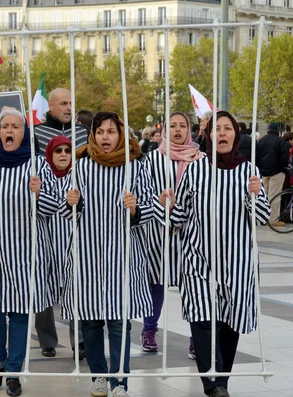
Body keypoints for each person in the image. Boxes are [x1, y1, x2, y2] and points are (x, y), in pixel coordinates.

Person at [158, 111, 270, 397]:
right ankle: (213, 385)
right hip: (198, 260)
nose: (221, 133)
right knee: (203, 318)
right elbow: (179, 215)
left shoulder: (249, 172)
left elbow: (261, 217)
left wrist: (254, 195)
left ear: (236, 134)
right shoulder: (195, 170)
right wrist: (167, 207)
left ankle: (221, 380)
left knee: (229, 324)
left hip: (236, 262)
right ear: (208, 136)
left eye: (227, 129)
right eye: (216, 129)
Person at [0, 109, 59, 397]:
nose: (10, 130)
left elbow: (52, 209)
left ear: (23, 133)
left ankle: (14, 371)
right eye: (5, 126)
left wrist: (40, 193)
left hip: (25, 252)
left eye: (16, 126)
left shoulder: (37, 165)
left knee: (18, 313)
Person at [62, 112, 155, 397]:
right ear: (93, 135)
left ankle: (120, 381)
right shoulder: (81, 165)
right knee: (90, 319)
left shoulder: (136, 166)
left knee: (119, 320)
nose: (105, 137)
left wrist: (136, 208)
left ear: (121, 135)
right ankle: (98, 376)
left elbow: (151, 208)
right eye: (100, 131)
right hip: (88, 254)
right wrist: (72, 203)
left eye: (111, 131)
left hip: (121, 255)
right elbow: (66, 207)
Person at [141, 112, 204, 359]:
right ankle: (149, 330)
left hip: (190, 232)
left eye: (182, 126)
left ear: (189, 129)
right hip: (158, 230)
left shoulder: (200, 159)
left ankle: (195, 338)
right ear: (165, 130)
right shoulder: (153, 159)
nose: (178, 130)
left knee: (193, 286)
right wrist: (161, 203)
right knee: (156, 282)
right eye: (173, 126)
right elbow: (144, 190)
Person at [43, 136, 86, 361]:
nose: (63, 155)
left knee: (75, 295)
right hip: (47, 246)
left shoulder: (79, 177)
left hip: (74, 245)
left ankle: (78, 342)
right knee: (43, 294)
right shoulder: (42, 177)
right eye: (57, 150)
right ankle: (47, 341)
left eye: (67, 151)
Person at [34, 88, 89, 154]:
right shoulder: (35, 132)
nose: (69, 108)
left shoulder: (83, 131)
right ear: (50, 106)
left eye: (71, 104)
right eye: (64, 103)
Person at [256, 122, 289, 226]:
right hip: (277, 172)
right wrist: (283, 168)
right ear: (277, 130)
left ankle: (262, 217)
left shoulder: (261, 141)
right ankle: (273, 220)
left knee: (263, 195)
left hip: (263, 172)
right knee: (274, 196)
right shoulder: (281, 141)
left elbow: (257, 156)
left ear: (268, 129)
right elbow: (284, 158)